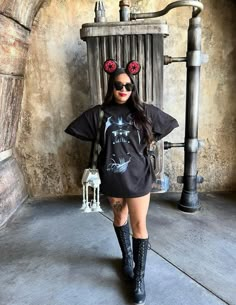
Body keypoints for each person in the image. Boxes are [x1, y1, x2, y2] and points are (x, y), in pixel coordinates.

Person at [65, 59, 179, 305]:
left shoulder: (144, 112)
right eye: (118, 85)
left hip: (138, 178)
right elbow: (74, 128)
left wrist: (149, 139)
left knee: (139, 225)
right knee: (120, 218)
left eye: (128, 86)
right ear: (111, 86)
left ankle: (139, 277)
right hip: (112, 178)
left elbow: (169, 123)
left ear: (133, 87)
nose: (123, 90)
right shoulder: (100, 113)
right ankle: (127, 258)